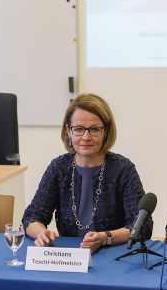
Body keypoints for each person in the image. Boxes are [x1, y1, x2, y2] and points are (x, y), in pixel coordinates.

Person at [22, 93, 151, 252]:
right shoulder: (59, 167)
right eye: (78, 129)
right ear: (68, 131)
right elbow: (31, 218)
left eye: (95, 129)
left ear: (106, 132)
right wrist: (41, 233)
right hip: (69, 257)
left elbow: (142, 227)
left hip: (112, 256)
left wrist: (105, 237)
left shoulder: (123, 169)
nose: (86, 137)